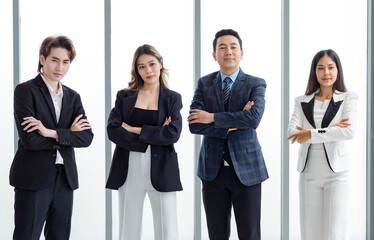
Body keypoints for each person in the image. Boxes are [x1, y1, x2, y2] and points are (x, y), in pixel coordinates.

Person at [10, 35, 94, 240]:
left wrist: (50, 132)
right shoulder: (25, 91)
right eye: (54, 60)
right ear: (42, 59)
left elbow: (86, 137)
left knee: (60, 236)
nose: (60, 67)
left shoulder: (73, 97)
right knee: (27, 235)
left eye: (66, 62)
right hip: (33, 176)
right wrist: (67, 134)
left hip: (65, 178)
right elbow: (31, 140)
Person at [188, 29, 268, 240]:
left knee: (249, 235)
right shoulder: (204, 84)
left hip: (247, 171)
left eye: (233, 46)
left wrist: (212, 117)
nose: (228, 51)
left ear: (242, 52)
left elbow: (253, 119)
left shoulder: (255, 83)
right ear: (214, 55)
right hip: (213, 171)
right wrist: (237, 119)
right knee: (217, 235)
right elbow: (195, 125)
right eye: (222, 47)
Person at [106, 44, 183, 240]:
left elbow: (173, 133)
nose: (148, 70)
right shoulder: (124, 96)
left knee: (168, 229)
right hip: (128, 165)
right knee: (128, 226)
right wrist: (154, 135)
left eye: (151, 64)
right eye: (141, 66)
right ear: (136, 70)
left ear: (160, 63)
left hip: (162, 167)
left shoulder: (172, 98)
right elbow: (113, 130)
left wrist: (132, 129)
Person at [287, 49, 357, 240]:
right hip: (308, 172)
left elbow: (348, 131)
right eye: (321, 68)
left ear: (337, 70)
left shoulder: (348, 98)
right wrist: (332, 130)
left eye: (330, 67)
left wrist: (309, 133)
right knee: (310, 232)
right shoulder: (301, 101)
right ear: (314, 72)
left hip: (337, 175)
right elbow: (292, 133)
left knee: (336, 233)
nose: (326, 73)